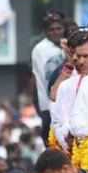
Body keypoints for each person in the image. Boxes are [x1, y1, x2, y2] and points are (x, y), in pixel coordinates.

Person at [50, 29, 88, 150]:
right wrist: (68, 142)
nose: (80, 61)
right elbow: (59, 121)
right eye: (78, 56)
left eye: (86, 56)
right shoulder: (67, 86)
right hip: (77, 151)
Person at [31, 12, 65, 141]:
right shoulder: (40, 49)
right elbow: (44, 79)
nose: (56, 32)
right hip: (48, 104)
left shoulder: (67, 45)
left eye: (59, 28)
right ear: (45, 31)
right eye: (51, 29)